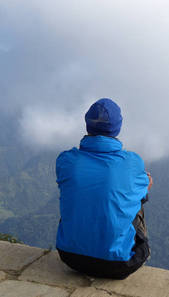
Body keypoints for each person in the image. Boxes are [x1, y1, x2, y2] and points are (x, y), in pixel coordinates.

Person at [56, 98, 153, 279]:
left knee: (79, 194)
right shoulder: (132, 162)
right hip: (120, 264)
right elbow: (139, 192)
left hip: (70, 256)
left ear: (88, 124)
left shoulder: (66, 160)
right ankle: (131, 249)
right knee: (137, 199)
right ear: (118, 127)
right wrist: (144, 185)